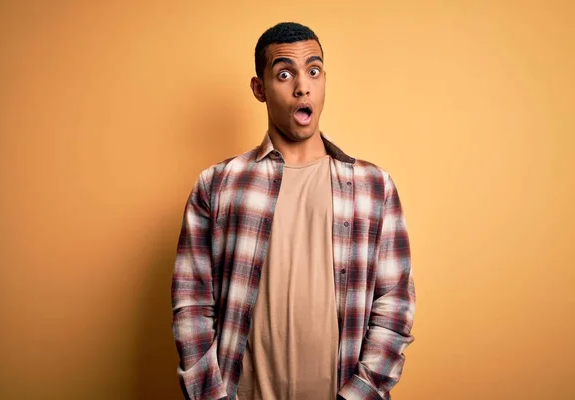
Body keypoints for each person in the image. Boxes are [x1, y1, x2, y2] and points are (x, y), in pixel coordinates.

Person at [171, 22, 415, 400]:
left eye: (313, 71)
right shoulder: (217, 185)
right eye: (285, 74)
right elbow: (192, 305)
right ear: (260, 89)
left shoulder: (374, 187)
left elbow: (394, 306)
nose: (302, 86)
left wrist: (360, 393)